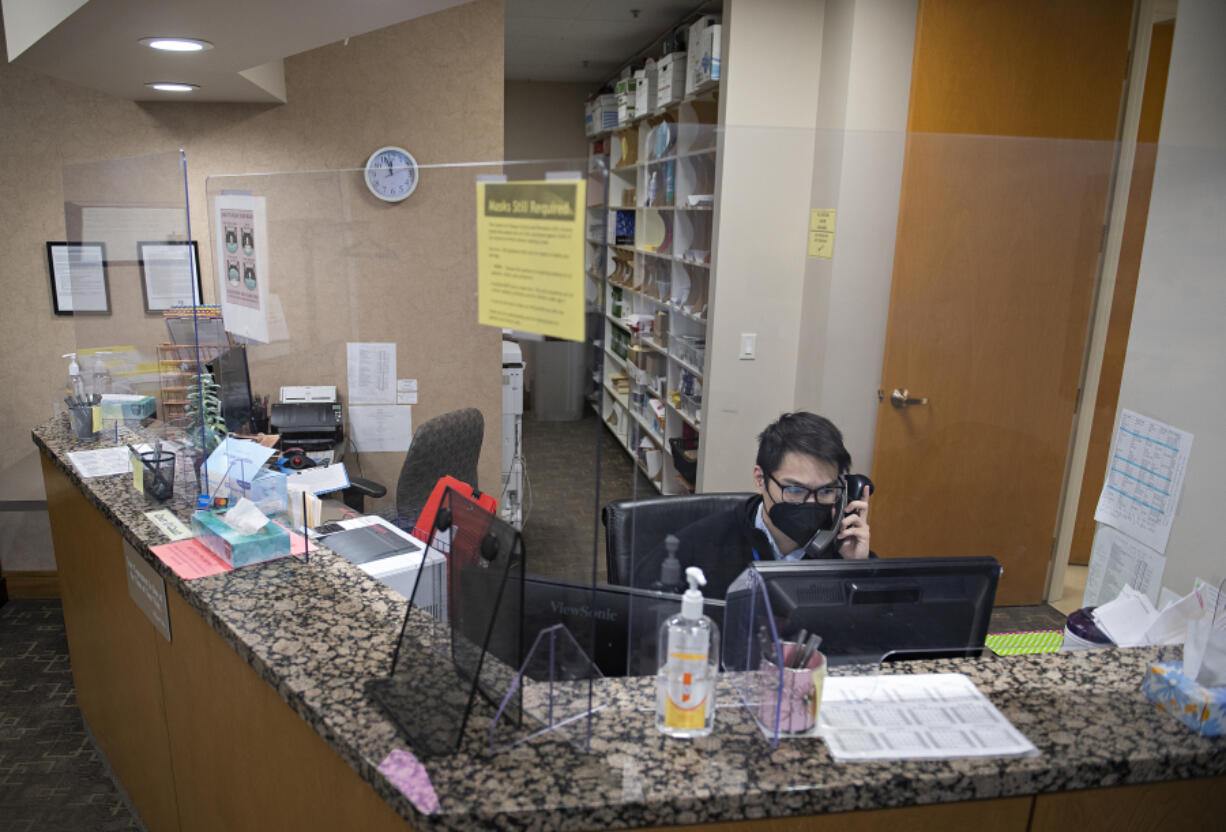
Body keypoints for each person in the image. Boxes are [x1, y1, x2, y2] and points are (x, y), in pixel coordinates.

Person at [631, 411, 871, 598]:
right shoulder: (704, 542)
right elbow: (640, 605)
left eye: (826, 490)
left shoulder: (842, 550)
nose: (811, 502)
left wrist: (857, 567)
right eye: (795, 490)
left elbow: (878, 634)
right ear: (760, 479)